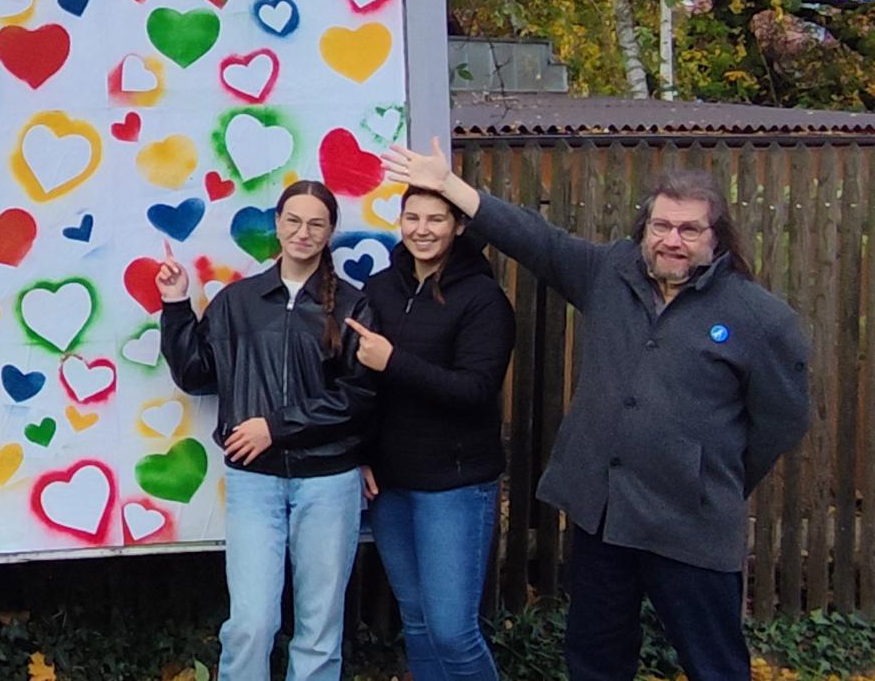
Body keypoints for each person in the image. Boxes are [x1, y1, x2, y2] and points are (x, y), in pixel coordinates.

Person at [385, 140, 811, 681]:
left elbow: (782, 420)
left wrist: (711, 474)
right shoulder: (612, 274)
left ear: (715, 238)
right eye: (661, 226)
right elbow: (537, 241)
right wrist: (451, 188)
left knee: (714, 665)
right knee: (595, 658)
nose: (671, 241)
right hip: (602, 518)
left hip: (691, 524)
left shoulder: (759, 317)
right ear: (644, 229)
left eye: (688, 230)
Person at [157, 179, 377, 681]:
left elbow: (358, 397)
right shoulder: (238, 301)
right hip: (254, 481)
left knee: (319, 626)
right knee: (252, 622)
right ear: (277, 225)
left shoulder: (352, 305)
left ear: (329, 232)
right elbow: (196, 374)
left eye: (316, 223)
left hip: (329, 480)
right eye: (293, 221)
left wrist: (274, 428)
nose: (303, 232)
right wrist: (175, 305)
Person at [344, 187, 515, 681]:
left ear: (459, 226)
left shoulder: (483, 299)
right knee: (416, 623)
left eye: (436, 219)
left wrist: (394, 361)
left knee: (452, 632)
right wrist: (362, 453)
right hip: (391, 483)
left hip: (455, 485)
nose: (422, 229)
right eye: (412, 217)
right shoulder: (379, 288)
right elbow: (362, 387)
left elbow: (475, 390)